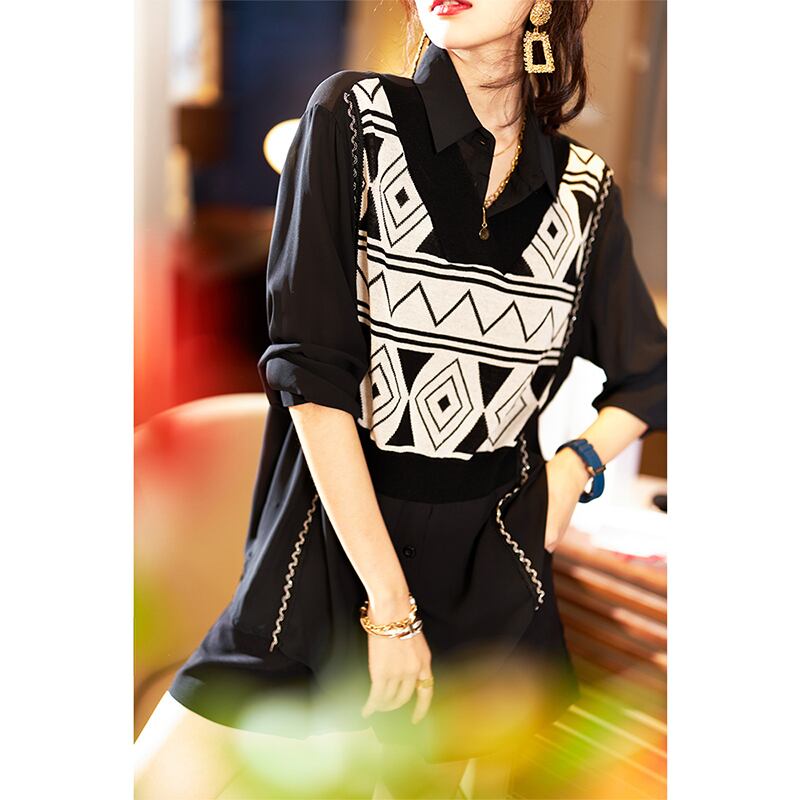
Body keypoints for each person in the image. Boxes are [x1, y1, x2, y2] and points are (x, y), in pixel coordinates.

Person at [134, 0, 667, 797]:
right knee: (151, 782)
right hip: (326, 562)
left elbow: (651, 376)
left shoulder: (584, 191)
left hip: (489, 578)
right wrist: (391, 612)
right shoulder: (351, 118)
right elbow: (312, 379)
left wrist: (571, 468)